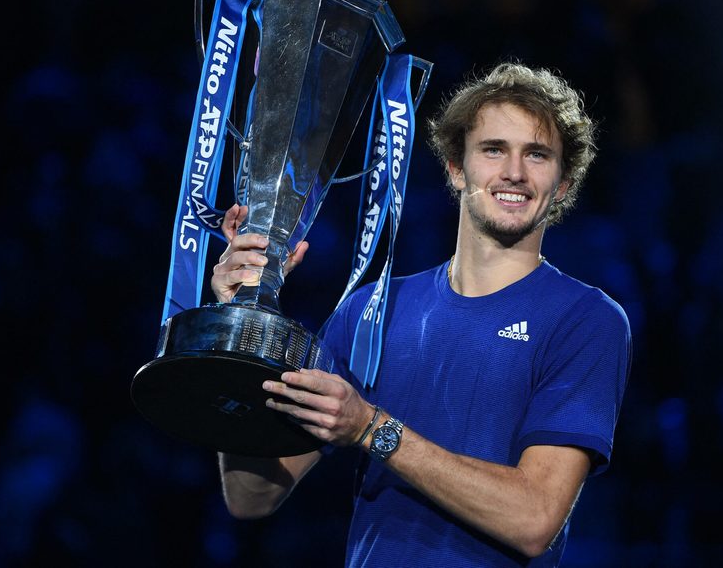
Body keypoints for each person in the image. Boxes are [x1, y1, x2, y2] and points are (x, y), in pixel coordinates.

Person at [210, 62, 632, 567]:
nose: (514, 172)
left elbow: (535, 518)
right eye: (493, 149)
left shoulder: (586, 319)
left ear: (562, 184)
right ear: (456, 167)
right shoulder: (370, 311)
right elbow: (250, 496)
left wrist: (370, 428)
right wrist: (240, 324)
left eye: (537, 155)